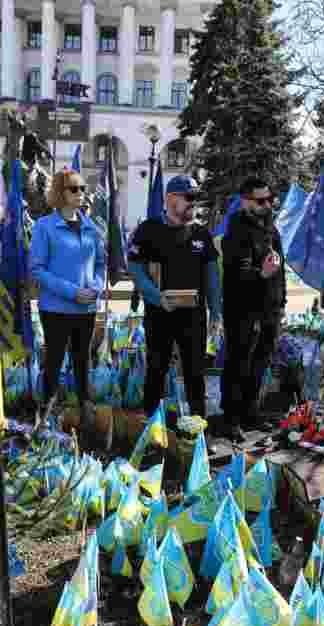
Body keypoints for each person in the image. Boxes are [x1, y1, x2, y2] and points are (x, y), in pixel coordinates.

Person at [127, 175, 222, 439]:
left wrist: (216, 313)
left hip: (193, 317)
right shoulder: (148, 229)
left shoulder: (202, 233)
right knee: (156, 370)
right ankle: (150, 431)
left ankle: (199, 432)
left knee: (195, 373)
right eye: (188, 198)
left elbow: (212, 275)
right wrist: (155, 296)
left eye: (196, 199)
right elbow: (134, 267)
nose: (193, 204)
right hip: (159, 314)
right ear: (170, 199)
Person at [30, 169, 106, 433]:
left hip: (86, 308)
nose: (80, 194)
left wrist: (95, 288)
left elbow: (100, 264)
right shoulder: (44, 227)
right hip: (56, 309)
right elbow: (37, 269)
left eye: (83, 188)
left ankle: (86, 414)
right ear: (59, 193)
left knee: (83, 359)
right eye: (74, 188)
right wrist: (72, 292)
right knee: (54, 360)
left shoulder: (91, 228)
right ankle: (43, 416)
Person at [218, 177, 286, 443]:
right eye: (261, 201)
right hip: (244, 311)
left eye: (270, 199)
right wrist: (263, 273)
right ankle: (231, 419)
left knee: (260, 364)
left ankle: (250, 412)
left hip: (270, 310)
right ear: (245, 201)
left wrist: (281, 302)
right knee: (239, 365)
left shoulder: (271, 228)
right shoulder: (237, 229)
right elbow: (238, 274)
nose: (267, 205)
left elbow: (279, 271)